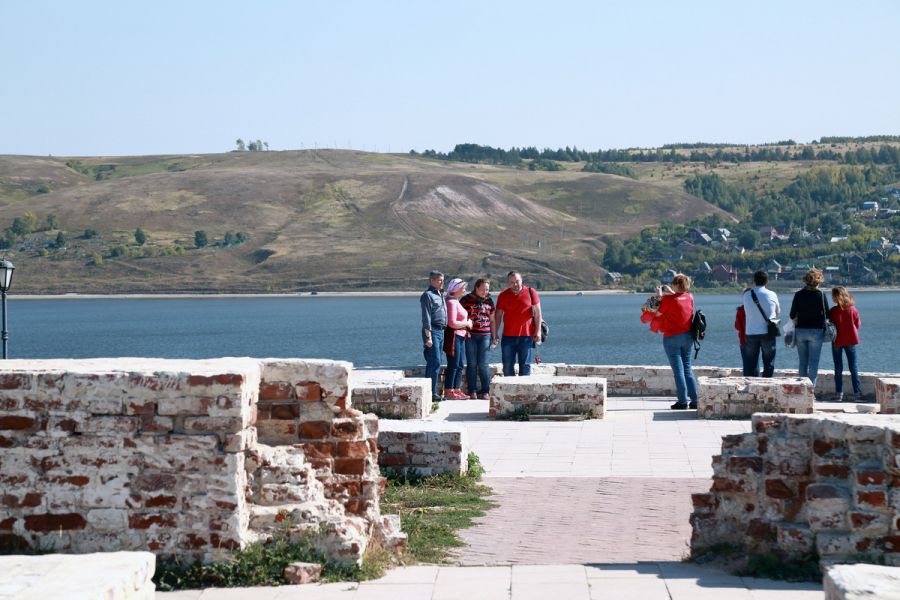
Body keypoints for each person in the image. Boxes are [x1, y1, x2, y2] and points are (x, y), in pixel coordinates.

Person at [646, 273, 698, 410]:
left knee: (678, 371)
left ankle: (682, 402)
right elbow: (679, 297)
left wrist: (659, 295)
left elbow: (656, 313)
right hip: (688, 337)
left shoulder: (668, 301)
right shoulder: (690, 297)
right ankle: (695, 400)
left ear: (675, 285)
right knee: (687, 368)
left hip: (672, 338)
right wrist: (670, 292)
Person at [495, 271, 541, 376]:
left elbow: (538, 314)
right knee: (507, 366)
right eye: (511, 282)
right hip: (508, 337)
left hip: (526, 336)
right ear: (508, 283)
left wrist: (538, 331)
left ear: (521, 280)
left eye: (517, 281)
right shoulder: (503, 295)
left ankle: (524, 392)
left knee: (525, 366)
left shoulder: (531, 292)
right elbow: (498, 316)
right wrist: (495, 333)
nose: (515, 284)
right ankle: (508, 391)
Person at [790, 268, 829, 387]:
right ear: (818, 281)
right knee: (813, 362)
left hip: (800, 330)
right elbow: (828, 314)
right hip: (816, 331)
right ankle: (811, 389)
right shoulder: (821, 295)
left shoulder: (798, 294)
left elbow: (792, 314)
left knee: (803, 362)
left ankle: (803, 389)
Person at [460, 278, 497, 400]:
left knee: (483, 364)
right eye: (482, 289)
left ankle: (485, 391)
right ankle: (472, 391)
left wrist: (495, 335)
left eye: (487, 289)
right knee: (472, 364)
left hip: (485, 336)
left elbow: (492, 320)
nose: (484, 292)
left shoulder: (490, 301)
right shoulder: (465, 300)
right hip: (470, 336)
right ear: (476, 288)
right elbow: (459, 316)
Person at [742, 272, 780, 377]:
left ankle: (751, 388)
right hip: (768, 332)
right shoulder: (772, 294)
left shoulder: (746, 295)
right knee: (769, 362)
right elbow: (777, 311)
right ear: (767, 281)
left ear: (754, 281)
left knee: (751, 363)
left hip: (751, 332)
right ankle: (767, 386)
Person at [829, 286, 863, 402]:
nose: (832, 298)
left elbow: (830, 327)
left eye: (833, 295)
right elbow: (857, 325)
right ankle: (857, 395)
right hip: (850, 340)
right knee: (853, 367)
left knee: (838, 367)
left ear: (836, 296)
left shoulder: (833, 311)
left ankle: (839, 395)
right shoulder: (853, 309)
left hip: (837, 341)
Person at [442, 278, 473, 400]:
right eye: (463, 288)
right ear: (456, 289)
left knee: (459, 364)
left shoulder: (455, 301)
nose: (465, 290)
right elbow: (452, 323)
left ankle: (457, 389)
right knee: (453, 364)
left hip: (460, 336)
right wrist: (467, 323)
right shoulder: (451, 302)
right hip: (454, 336)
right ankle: (449, 390)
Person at [420, 270, 447, 402]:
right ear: (431, 280)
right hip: (432, 331)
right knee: (434, 361)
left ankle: (432, 392)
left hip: (441, 331)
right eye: (439, 280)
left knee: (437, 361)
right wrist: (428, 337)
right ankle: (431, 393)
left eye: (442, 280)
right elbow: (426, 318)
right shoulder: (427, 295)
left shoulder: (440, 294)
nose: (442, 282)